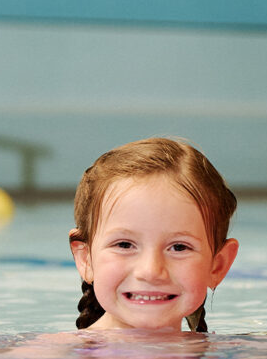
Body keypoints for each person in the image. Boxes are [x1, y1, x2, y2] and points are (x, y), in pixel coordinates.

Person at [70, 138, 240, 332]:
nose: (151, 271)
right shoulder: (54, 358)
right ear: (86, 259)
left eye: (179, 247)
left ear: (217, 266)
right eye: (124, 245)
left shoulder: (236, 355)